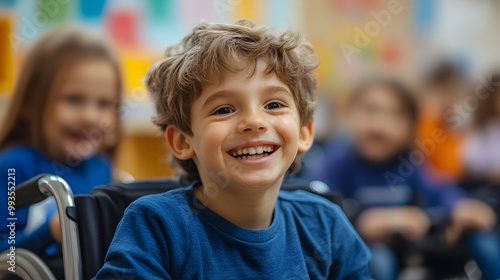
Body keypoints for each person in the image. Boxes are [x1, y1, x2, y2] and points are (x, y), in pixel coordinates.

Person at [94, 20, 371, 279]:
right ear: (182, 141)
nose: (253, 122)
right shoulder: (158, 225)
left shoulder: (326, 226)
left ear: (303, 132)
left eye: (273, 104)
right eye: (224, 109)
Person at [314, 77, 499, 280]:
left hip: (406, 254)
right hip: (359, 254)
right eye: (370, 109)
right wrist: (360, 222)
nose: (380, 123)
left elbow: (439, 190)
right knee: (378, 259)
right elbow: (315, 207)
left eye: (395, 114)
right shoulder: (338, 162)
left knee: (483, 241)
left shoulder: (410, 163)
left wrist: (459, 205)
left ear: (412, 125)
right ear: (349, 114)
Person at [0, 26, 122, 263]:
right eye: (74, 99)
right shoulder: (14, 167)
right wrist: (51, 232)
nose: (90, 117)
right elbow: (6, 255)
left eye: (104, 103)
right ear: (30, 104)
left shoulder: (102, 168)